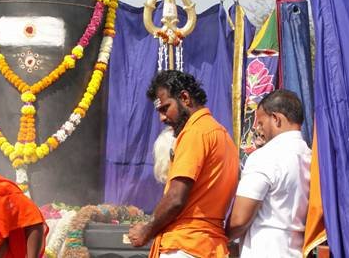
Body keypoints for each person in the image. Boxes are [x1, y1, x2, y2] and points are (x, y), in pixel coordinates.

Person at [128, 70, 240, 258]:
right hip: (210, 247)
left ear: (185, 98)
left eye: (165, 108)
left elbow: (175, 199)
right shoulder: (224, 137)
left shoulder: (194, 132)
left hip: (185, 246)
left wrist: (146, 231)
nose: (162, 118)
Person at [226, 89, 312, 257]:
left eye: (260, 122)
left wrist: (219, 236)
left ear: (276, 119)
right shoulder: (311, 157)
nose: (258, 129)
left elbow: (238, 220)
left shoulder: (265, 157)